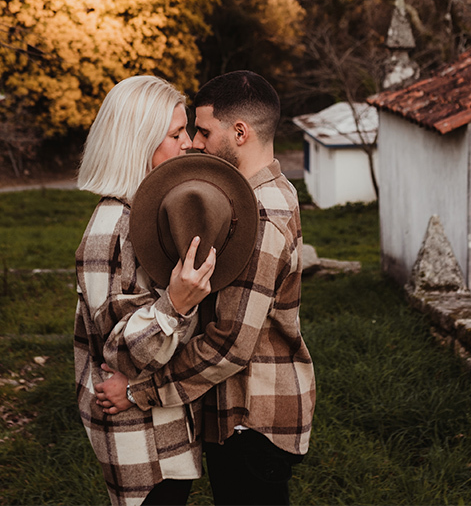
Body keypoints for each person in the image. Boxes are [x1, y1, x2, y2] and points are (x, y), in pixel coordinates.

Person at [97, 70, 317, 506]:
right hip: (246, 412)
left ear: (240, 133)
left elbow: (230, 344)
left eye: (202, 131)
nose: (194, 142)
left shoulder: (260, 218)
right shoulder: (270, 190)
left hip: (250, 419)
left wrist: (139, 392)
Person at [74, 75, 218, 506]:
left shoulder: (145, 214)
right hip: (139, 439)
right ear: (140, 142)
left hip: (166, 425)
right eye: (176, 134)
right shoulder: (109, 231)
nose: (190, 142)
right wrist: (176, 305)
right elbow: (117, 353)